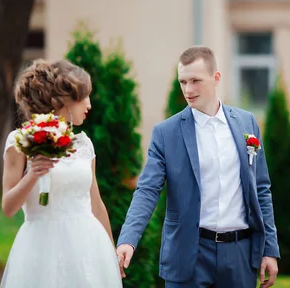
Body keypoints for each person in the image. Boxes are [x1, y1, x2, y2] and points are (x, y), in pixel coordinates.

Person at [117, 46, 280, 288]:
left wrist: (269, 248)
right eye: (183, 81)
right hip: (188, 254)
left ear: (216, 78)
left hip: (239, 254)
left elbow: (261, 189)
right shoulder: (166, 133)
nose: (188, 90)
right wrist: (128, 240)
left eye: (195, 81)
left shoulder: (247, 123)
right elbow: (147, 190)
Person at [0, 59, 122, 288]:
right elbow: (8, 207)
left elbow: (96, 205)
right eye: (85, 97)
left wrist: (111, 253)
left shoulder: (85, 146)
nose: (89, 105)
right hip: (41, 251)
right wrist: (33, 174)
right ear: (66, 101)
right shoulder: (20, 142)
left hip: (88, 249)